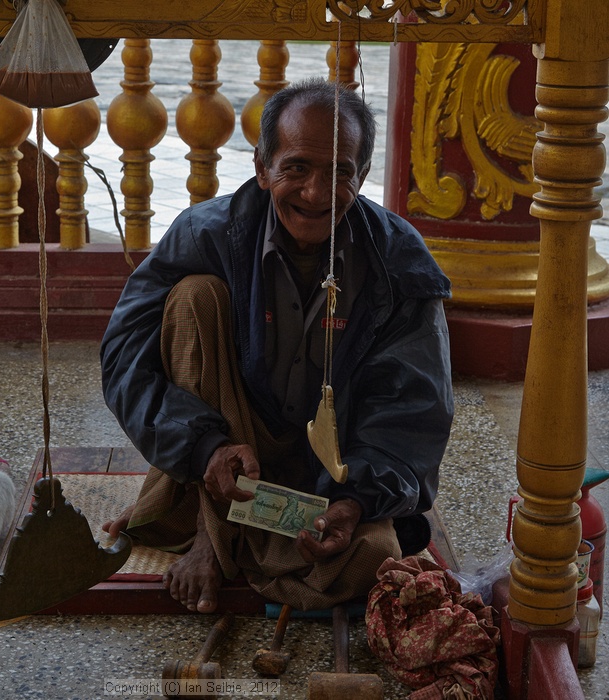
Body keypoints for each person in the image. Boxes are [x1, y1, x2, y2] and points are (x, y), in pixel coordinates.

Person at [100, 77, 454, 613]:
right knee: (195, 297)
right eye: (296, 168)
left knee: (374, 558)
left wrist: (355, 501)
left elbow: (415, 408)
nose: (315, 193)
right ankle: (208, 531)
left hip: (329, 471)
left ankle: (218, 530)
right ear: (263, 167)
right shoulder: (207, 233)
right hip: (231, 447)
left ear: (360, 176)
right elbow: (125, 357)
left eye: (339, 172)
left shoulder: (396, 258)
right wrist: (206, 449)